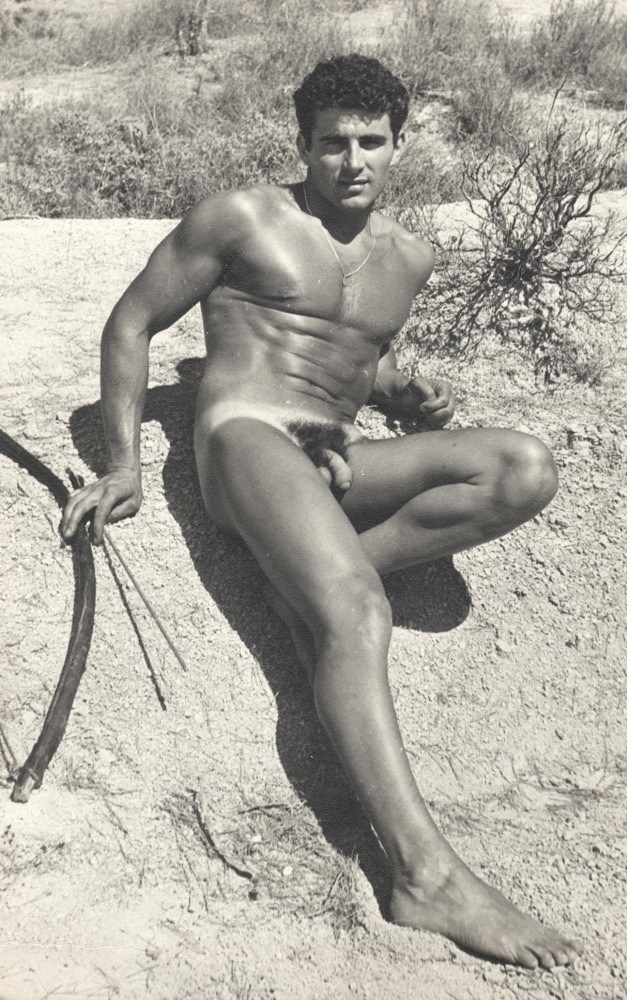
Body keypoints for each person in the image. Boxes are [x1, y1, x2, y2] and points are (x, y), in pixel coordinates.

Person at [60, 54, 582, 970]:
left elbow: (351, 351)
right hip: (246, 439)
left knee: (522, 468)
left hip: (332, 456)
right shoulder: (243, 218)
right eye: (332, 142)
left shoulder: (409, 256)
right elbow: (132, 321)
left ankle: (312, 576)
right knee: (357, 611)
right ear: (302, 144)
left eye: (370, 142)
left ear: (399, 144)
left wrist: (403, 394)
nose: (351, 160)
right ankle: (423, 876)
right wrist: (123, 463)